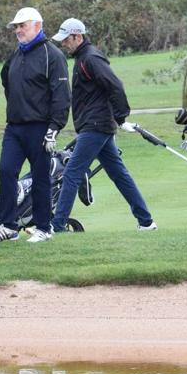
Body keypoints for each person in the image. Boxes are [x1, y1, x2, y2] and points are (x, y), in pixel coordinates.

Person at [45, 18, 156, 239]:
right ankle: (146, 222)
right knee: (119, 175)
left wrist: (121, 116)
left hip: (95, 126)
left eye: (66, 40)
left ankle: (56, 227)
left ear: (78, 36)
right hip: (98, 125)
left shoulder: (90, 58)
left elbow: (115, 85)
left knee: (72, 174)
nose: (64, 44)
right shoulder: (83, 58)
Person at [0, 6, 70, 244]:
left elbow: (61, 96)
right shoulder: (17, 54)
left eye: (23, 26)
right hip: (15, 127)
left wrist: (54, 128)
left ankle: (44, 227)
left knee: (41, 177)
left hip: (41, 128)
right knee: (5, 171)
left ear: (38, 26)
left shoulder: (53, 55)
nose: (18, 30)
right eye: (16, 27)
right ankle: (8, 225)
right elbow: (6, 80)